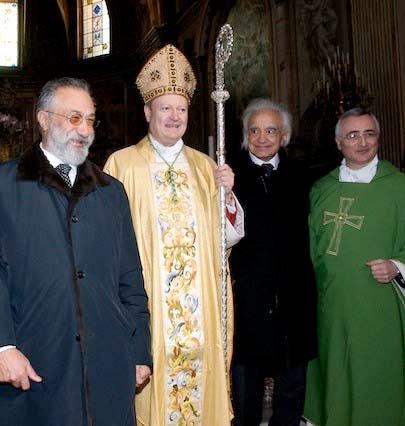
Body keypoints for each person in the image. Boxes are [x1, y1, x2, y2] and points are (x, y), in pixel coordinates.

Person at [104, 44, 244, 426]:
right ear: (148, 112)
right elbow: (108, 239)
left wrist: (227, 196)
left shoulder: (206, 166)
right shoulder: (121, 163)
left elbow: (226, 239)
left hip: (201, 315)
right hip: (148, 307)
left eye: (181, 109)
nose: (174, 116)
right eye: (165, 108)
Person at [0, 77, 152, 426]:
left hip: (108, 364)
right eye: (73, 118)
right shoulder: (5, 186)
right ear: (43, 119)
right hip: (34, 363)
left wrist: (139, 351)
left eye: (89, 119)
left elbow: (130, 278)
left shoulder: (111, 192)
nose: (84, 129)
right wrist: (3, 346)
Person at [304, 108, 405, 426]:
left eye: (369, 133)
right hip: (334, 308)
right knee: (338, 379)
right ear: (338, 142)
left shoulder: (399, 186)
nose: (362, 142)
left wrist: (396, 265)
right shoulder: (322, 191)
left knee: (380, 383)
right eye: (352, 135)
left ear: (379, 138)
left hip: (383, 308)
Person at [229, 98, 317, 426]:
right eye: (255, 130)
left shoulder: (303, 177)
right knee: (245, 394)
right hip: (247, 302)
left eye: (271, 130)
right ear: (245, 135)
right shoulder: (228, 176)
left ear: (284, 136)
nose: (263, 138)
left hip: (295, 302)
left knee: (291, 392)